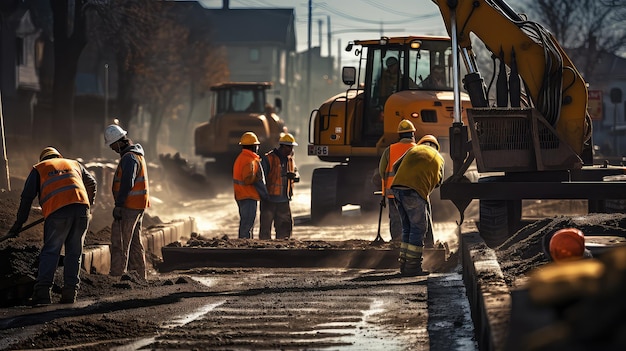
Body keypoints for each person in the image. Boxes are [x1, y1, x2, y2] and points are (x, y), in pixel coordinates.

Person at [7, 147, 96, 305]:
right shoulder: (74, 164)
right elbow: (92, 183)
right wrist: (88, 203)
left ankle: (42, 293)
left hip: (58, 213)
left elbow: (27, 198)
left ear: (43, 159)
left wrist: (18, 225)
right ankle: (70, 293)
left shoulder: (39, 168)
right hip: (82, 210)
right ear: (58, 156)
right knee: (74, 253)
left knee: (51, 252)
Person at [391, 135, 444, 276]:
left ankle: (404, 264)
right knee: (418, 228)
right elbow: (439, 181)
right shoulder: (438, 157)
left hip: (396, 189)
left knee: (407, 227)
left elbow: (395, 166)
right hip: (413, 191)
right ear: (436, 147)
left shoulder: (413, 150)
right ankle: (413, 268)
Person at [104, 124, 150, 280]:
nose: (112, 148)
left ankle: (117, 275)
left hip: (129, 206)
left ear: (118, 142)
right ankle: (138, 276)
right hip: (138, 204)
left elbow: (127, 183)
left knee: (120, 241)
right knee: (135, 242)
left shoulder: (129, 158)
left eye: (112, 145)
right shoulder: (136, 155)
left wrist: (119, 205)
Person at [376, 119, 417, 241]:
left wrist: (385, 191)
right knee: (414, 217)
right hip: (413, 192)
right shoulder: (418, 150)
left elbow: (382, 171)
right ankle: (412, 241)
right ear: (413, 134)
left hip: (393, 193)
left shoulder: (390, 150)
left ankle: (397, 242)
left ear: (399, 135)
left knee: (396, 218)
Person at [259, 133, 300, 240]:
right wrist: (264, 196)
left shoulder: (290, 160)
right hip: (269, 200)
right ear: (283, 146)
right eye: (289, 147)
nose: (291, 149)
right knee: (265, 230)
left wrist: (294, 176)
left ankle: (282, 249)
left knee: (285, 229)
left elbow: (296, 174)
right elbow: (260, 178)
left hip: (284, 200)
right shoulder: (268, 159)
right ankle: (264, 250)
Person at [233, 131, 269, 239]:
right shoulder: (250, 160)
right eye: (257, 145)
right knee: (247, 225)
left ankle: (245, 243)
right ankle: (244, 247)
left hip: (241, 195)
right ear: (254, 146)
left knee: (245, 223)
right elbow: (250, 179)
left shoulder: (240, 158)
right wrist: (265, 195)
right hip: (248, 196)